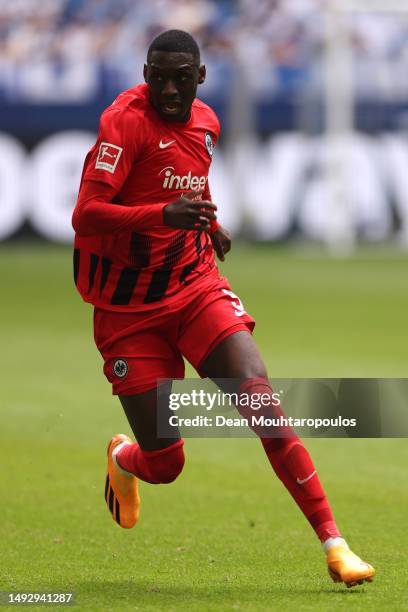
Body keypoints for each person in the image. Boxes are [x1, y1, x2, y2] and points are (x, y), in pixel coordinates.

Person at [72, 29, 374, 588]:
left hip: (193, 288)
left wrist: (208, 225)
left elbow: (187, 185)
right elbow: (87, 215)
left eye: (180, 78)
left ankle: (336, 544)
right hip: (126, 313)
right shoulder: (124, 123)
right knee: (166, 465)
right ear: (144, 72)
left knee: (262, 401)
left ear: (200, 78)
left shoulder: (207, 125)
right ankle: (124, 458)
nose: (167, 89)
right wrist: (164, 215)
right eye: (156, 76)